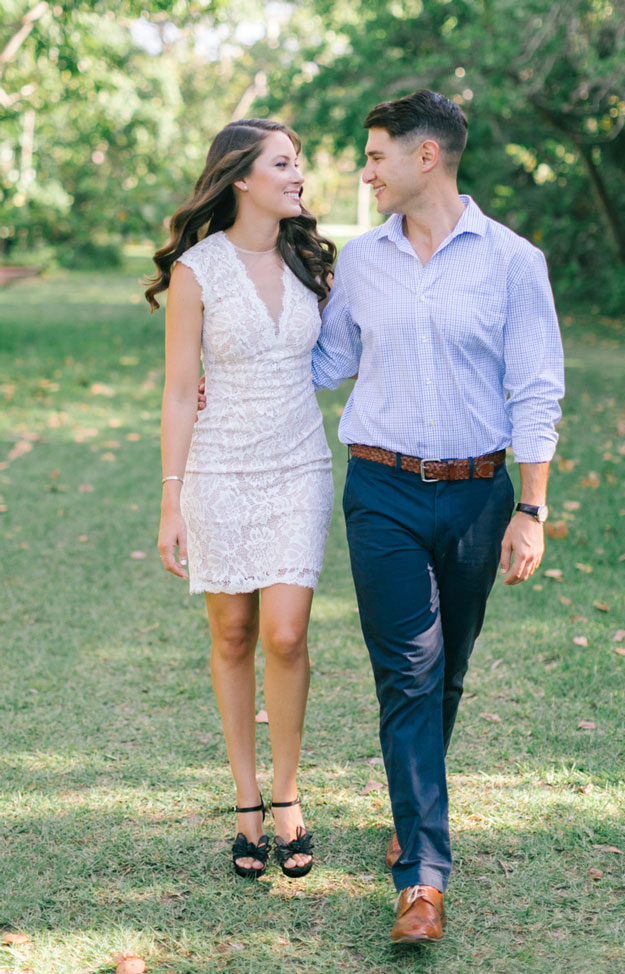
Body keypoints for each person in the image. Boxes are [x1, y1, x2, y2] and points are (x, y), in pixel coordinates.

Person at [311, 90, 565, 942]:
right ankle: (422, 877)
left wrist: (530, 507)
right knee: (408, 673)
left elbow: (536, 388)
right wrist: (229, 358)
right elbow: (327, 361)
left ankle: (411, 804)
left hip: (476, 495)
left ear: (427, 158)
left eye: (377, 154)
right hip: (379, 490)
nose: (365, 170)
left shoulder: (513, 262)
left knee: (447, 669)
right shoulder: (359, 260)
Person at [145, 118, 336, 880]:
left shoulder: (313, 262)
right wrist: (171, 499)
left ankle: (288, 796)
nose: (298, 175)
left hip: (299, 466)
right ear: (241, 180)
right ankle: (248, 804)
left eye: (299, 163)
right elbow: (177, 394)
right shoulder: (198, 271)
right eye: (284, 164)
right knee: (232, 636)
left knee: (286, 634)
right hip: (219, 469)